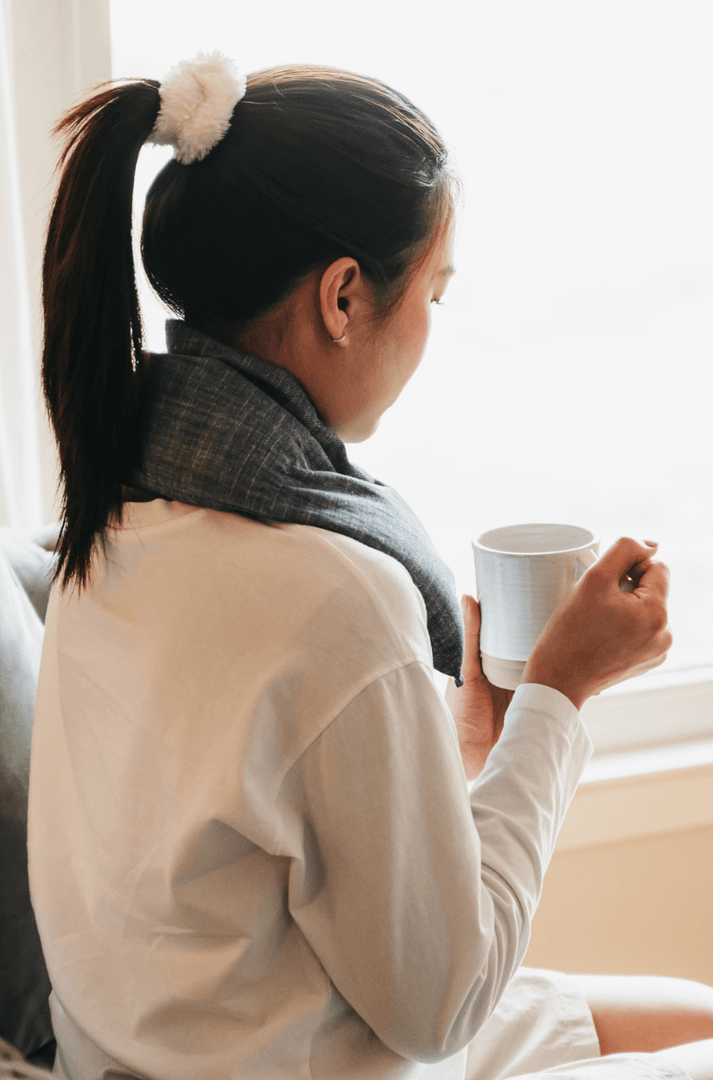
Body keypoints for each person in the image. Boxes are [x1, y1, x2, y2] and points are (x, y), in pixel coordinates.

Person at [28, 51, 713, 1080]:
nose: (431, 325)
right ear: (343, 297)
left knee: (689, 1010)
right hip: (309, 1055)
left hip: (207, 1034)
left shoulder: (116, 506)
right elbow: (439, 1005)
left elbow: (266, 868)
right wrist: (560, 695)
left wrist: (469, 755)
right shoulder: (330, 591)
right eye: (432, 291)